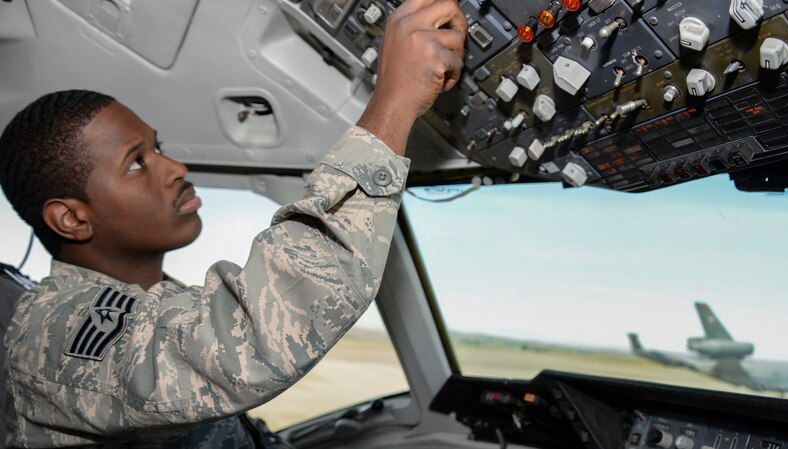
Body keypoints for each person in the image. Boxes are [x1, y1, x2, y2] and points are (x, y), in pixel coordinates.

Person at [0, 0, 467, 446]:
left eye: (157, 147)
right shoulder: (52, 332)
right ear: (72, 218)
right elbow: (250, 337)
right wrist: (396, 99)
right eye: (137, 163)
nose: (174, 167)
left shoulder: (159, 304)